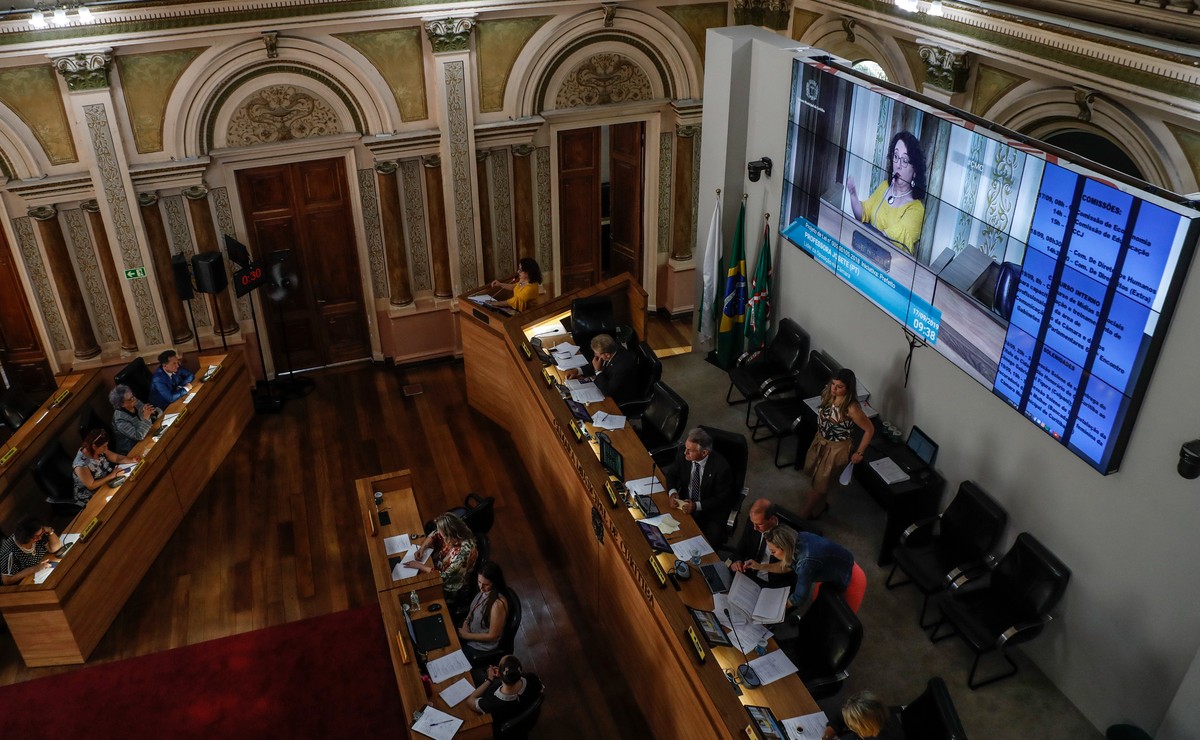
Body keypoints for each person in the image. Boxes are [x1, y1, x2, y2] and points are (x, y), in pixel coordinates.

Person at [799, 368, 873, 520]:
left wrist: (859, 452)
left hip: (836, 448)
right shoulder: (828, 394)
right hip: (820, 440)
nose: (834, 388)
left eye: (839, 387)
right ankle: (820, 508)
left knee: (819, 484)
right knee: (819, 479)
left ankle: (803, 515)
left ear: (848, 388)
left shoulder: (851, 408)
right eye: (833, 384)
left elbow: (870, 430)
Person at [845, 130, 927, 256]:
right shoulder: (884, 187)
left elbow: (896, 237)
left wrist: (870, 235)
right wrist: (853, 195)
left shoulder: (917, 209)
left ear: (915, 171)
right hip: (865, 252)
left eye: (904, 160)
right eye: (895, 157)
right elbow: (862, 214)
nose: (898, 165)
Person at [747, 526, 854, 614]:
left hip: (843, 573)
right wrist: (759, 566)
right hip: (840, 556)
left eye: (773, 551)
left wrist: (773, 612)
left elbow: (799, 597)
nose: (771, 554)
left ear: (784, 548)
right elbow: (786, 566)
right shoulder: (797, 537)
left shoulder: (805, 563)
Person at [665, 427, 735, 545]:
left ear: (704, 452)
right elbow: (671, 474)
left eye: (690, 450)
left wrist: (696, 506)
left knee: (703, 545)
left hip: (710, 511)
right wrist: (672, 493)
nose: (685, 453)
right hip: (684, 503)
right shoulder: (684, 454)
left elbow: (721, 499)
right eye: (686, 448)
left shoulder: (721, 468)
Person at [412, 513, 478, 609]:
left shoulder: (462, 555)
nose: (441, 536)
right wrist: (422, 548)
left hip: (450, 586)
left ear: (451, 537)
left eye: (444, 537)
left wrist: (419, 566)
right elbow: (435, 534)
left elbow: (444, 576)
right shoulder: (456, 530)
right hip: (440, 565)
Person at [467, 654, 544, 732]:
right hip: (521, 718)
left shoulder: (492, 703)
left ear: (500, 674)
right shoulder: (532, 678)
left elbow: (470, 700)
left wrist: (489, 679)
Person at [728, 498, 793, 588]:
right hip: (748, 570)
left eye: (759, 524)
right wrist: (737, 560)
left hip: (771, 581)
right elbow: (741, 547)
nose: (755, 528)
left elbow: (789, 566)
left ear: (772, 519)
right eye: (753, 522)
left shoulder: (786, 534)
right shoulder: (753, 522)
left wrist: (760, 567)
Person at [457, 561, 510, 666]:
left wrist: (466, 635)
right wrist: (466, 622)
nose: (481, 587)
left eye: (485, 584)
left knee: (456, 663)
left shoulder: (497, 605)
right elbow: (472, 610)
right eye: (479, 582)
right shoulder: (484, 591)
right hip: (469, 633)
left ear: (494, 583)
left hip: (480, 646)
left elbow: (492, 636)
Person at [565, 334, 638, 405]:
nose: (595, 355)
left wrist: (598, 371)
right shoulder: (612, 348)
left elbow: (607, 391)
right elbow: (596, 363)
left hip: (619, 396)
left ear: (607, 355)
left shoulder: (622, 367)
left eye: (596, 354)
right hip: (607, 383)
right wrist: (578, 371)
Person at [73, 429, 134, 507]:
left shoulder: (100, 449)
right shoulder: (80, 464)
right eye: (104, 447)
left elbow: (116, 458)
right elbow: (91, 485)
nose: (106, 449)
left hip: (106, 483)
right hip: (91, 496)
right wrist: (112, 475)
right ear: (94, 446)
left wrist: (131, 460)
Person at [1, 517, 64, 586]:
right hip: (27, 581)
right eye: (36, 537)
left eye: (41, 534)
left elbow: (55, 548)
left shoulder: (38, 533)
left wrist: (50, 532)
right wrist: (34, 569)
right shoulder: (9, 553)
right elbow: (7, 580)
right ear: (26, 537)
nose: (40, 538)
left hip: (42, 567)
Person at [823, 691, 905, 740]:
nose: (849, 727)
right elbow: (839, 718)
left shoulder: (891, 736)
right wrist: (828, 734)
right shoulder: (869, 712)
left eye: (852, 726)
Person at [109, 384, 158, 454]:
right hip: (133, 449)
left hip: (147, 435)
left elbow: (153, 415)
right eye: (130, 399)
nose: (134, 399)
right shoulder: (119, 420)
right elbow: (138, 436)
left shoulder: (135, 402)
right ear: (122, 404)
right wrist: (146, 418)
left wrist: (153, 413)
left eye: (133, 396)